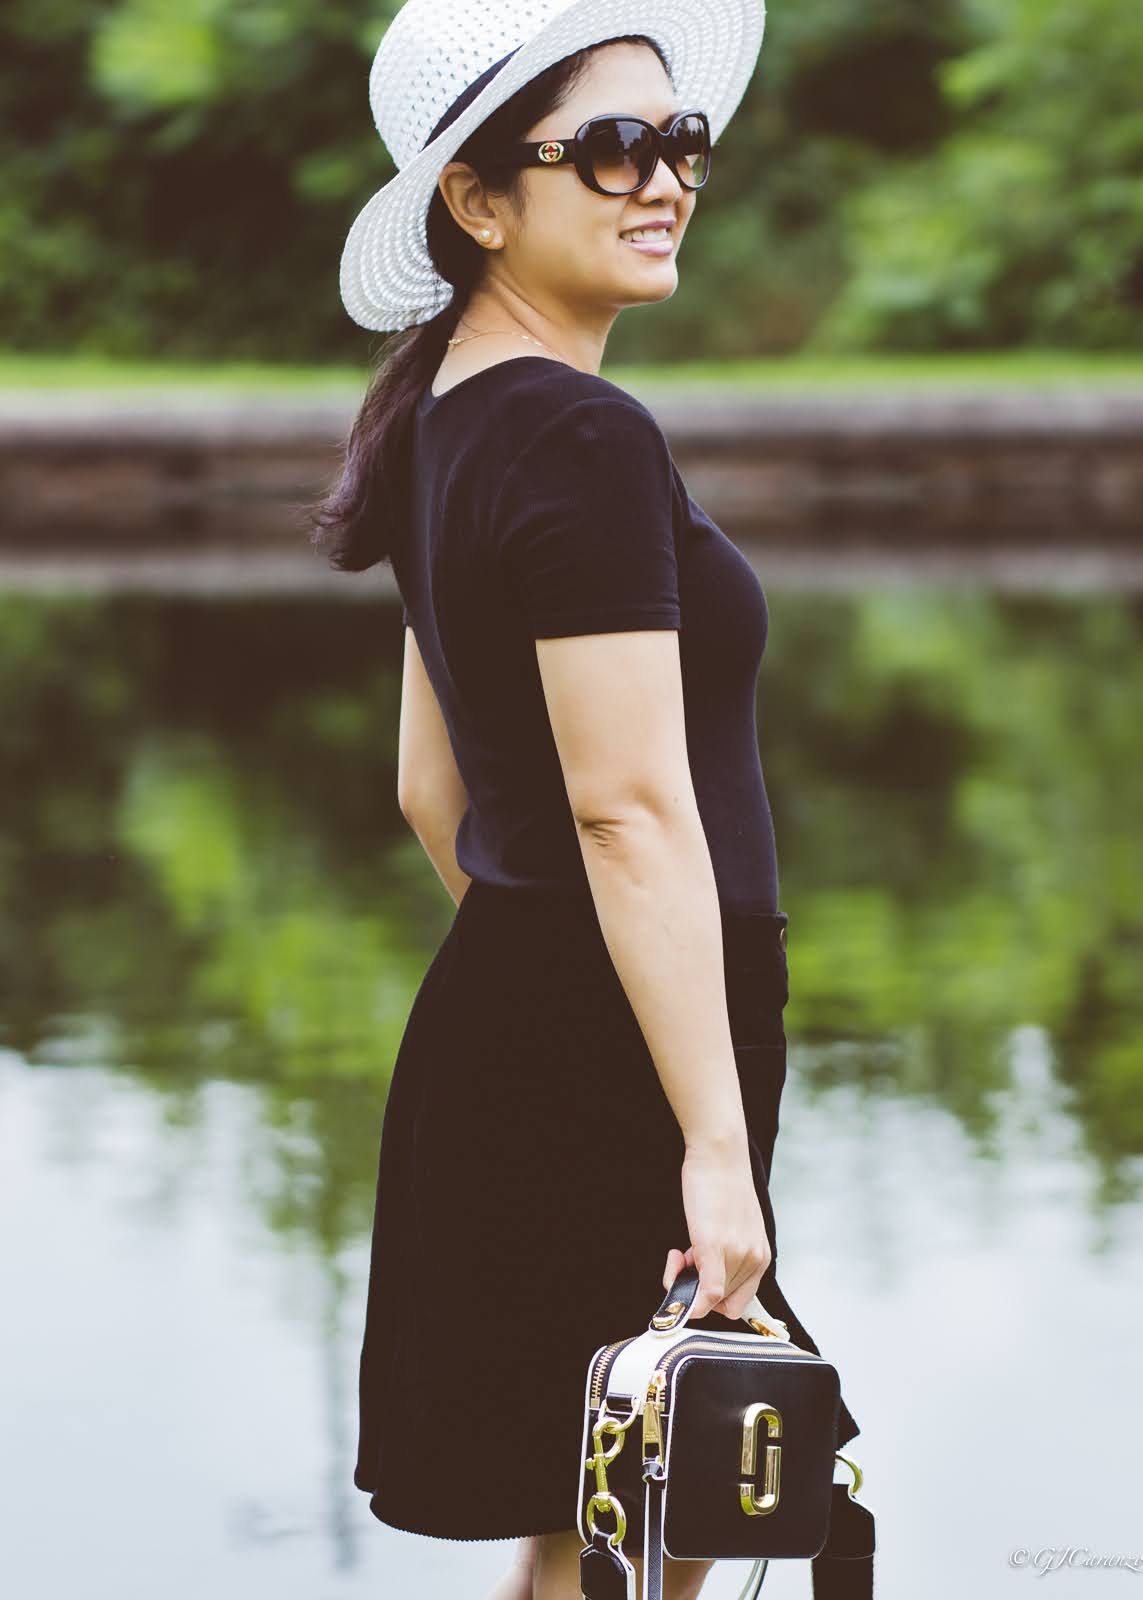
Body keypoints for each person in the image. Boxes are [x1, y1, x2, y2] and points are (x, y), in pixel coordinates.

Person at [312, 3, 865, 1597]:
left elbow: (436, 793)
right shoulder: (577, 429)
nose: (666, 179)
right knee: (665, 1516)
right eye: (612, 147)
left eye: (680, 141)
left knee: (610, 1519)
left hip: (535, 1010)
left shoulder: (445, 421)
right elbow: (628, 810)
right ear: (477, 203)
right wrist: (704, 1136)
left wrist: (545, 984)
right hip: (635, 1045)